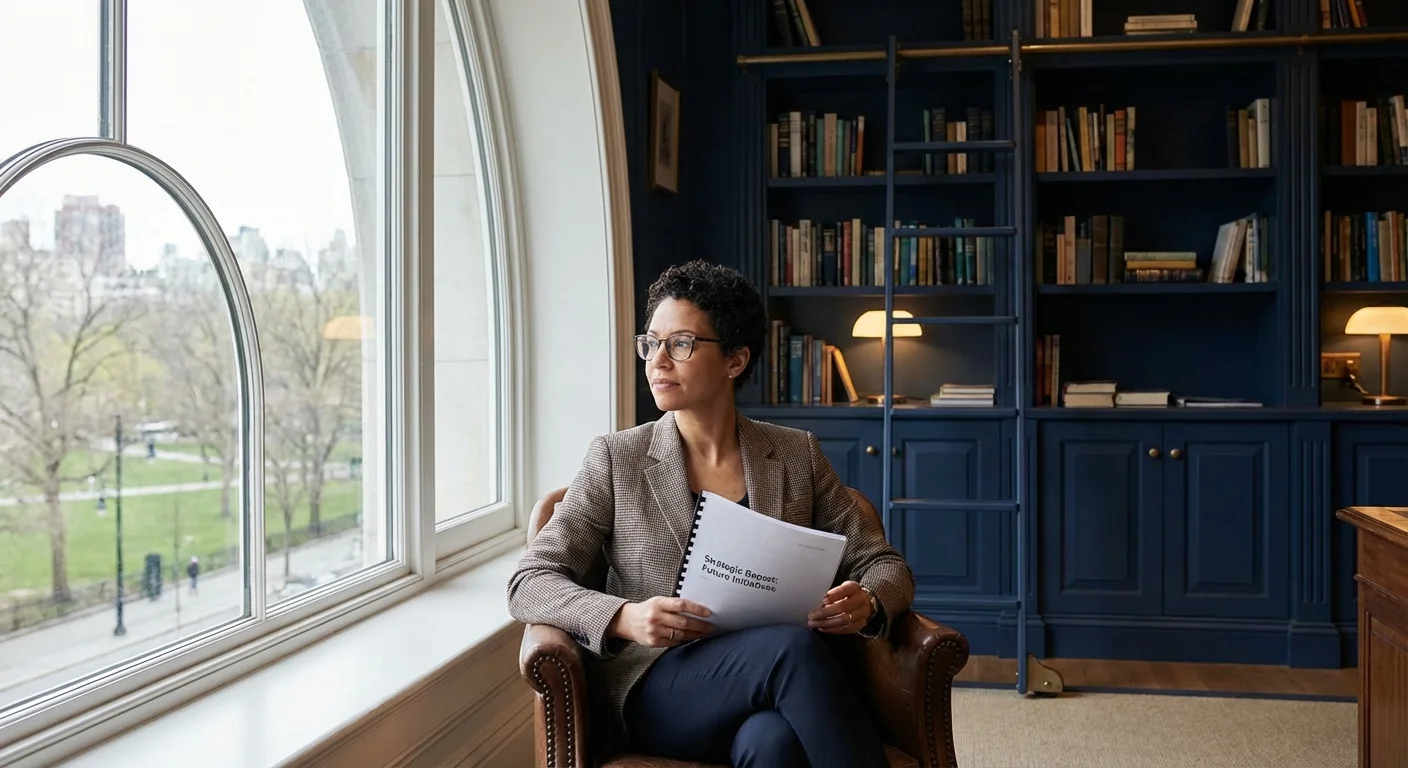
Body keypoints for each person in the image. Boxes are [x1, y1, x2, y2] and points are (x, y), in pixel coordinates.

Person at [507, 260, 915, 767]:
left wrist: (869, 602)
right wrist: (624, 617)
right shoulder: (615, 459)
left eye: (680, 344)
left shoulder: (796, 454)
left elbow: (886, 566)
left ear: (735, 360)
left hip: (775, 687)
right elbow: (528, 582)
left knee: (774, 745)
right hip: (661, 689)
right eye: (650, 343)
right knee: (793, 651)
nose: (658, 360)